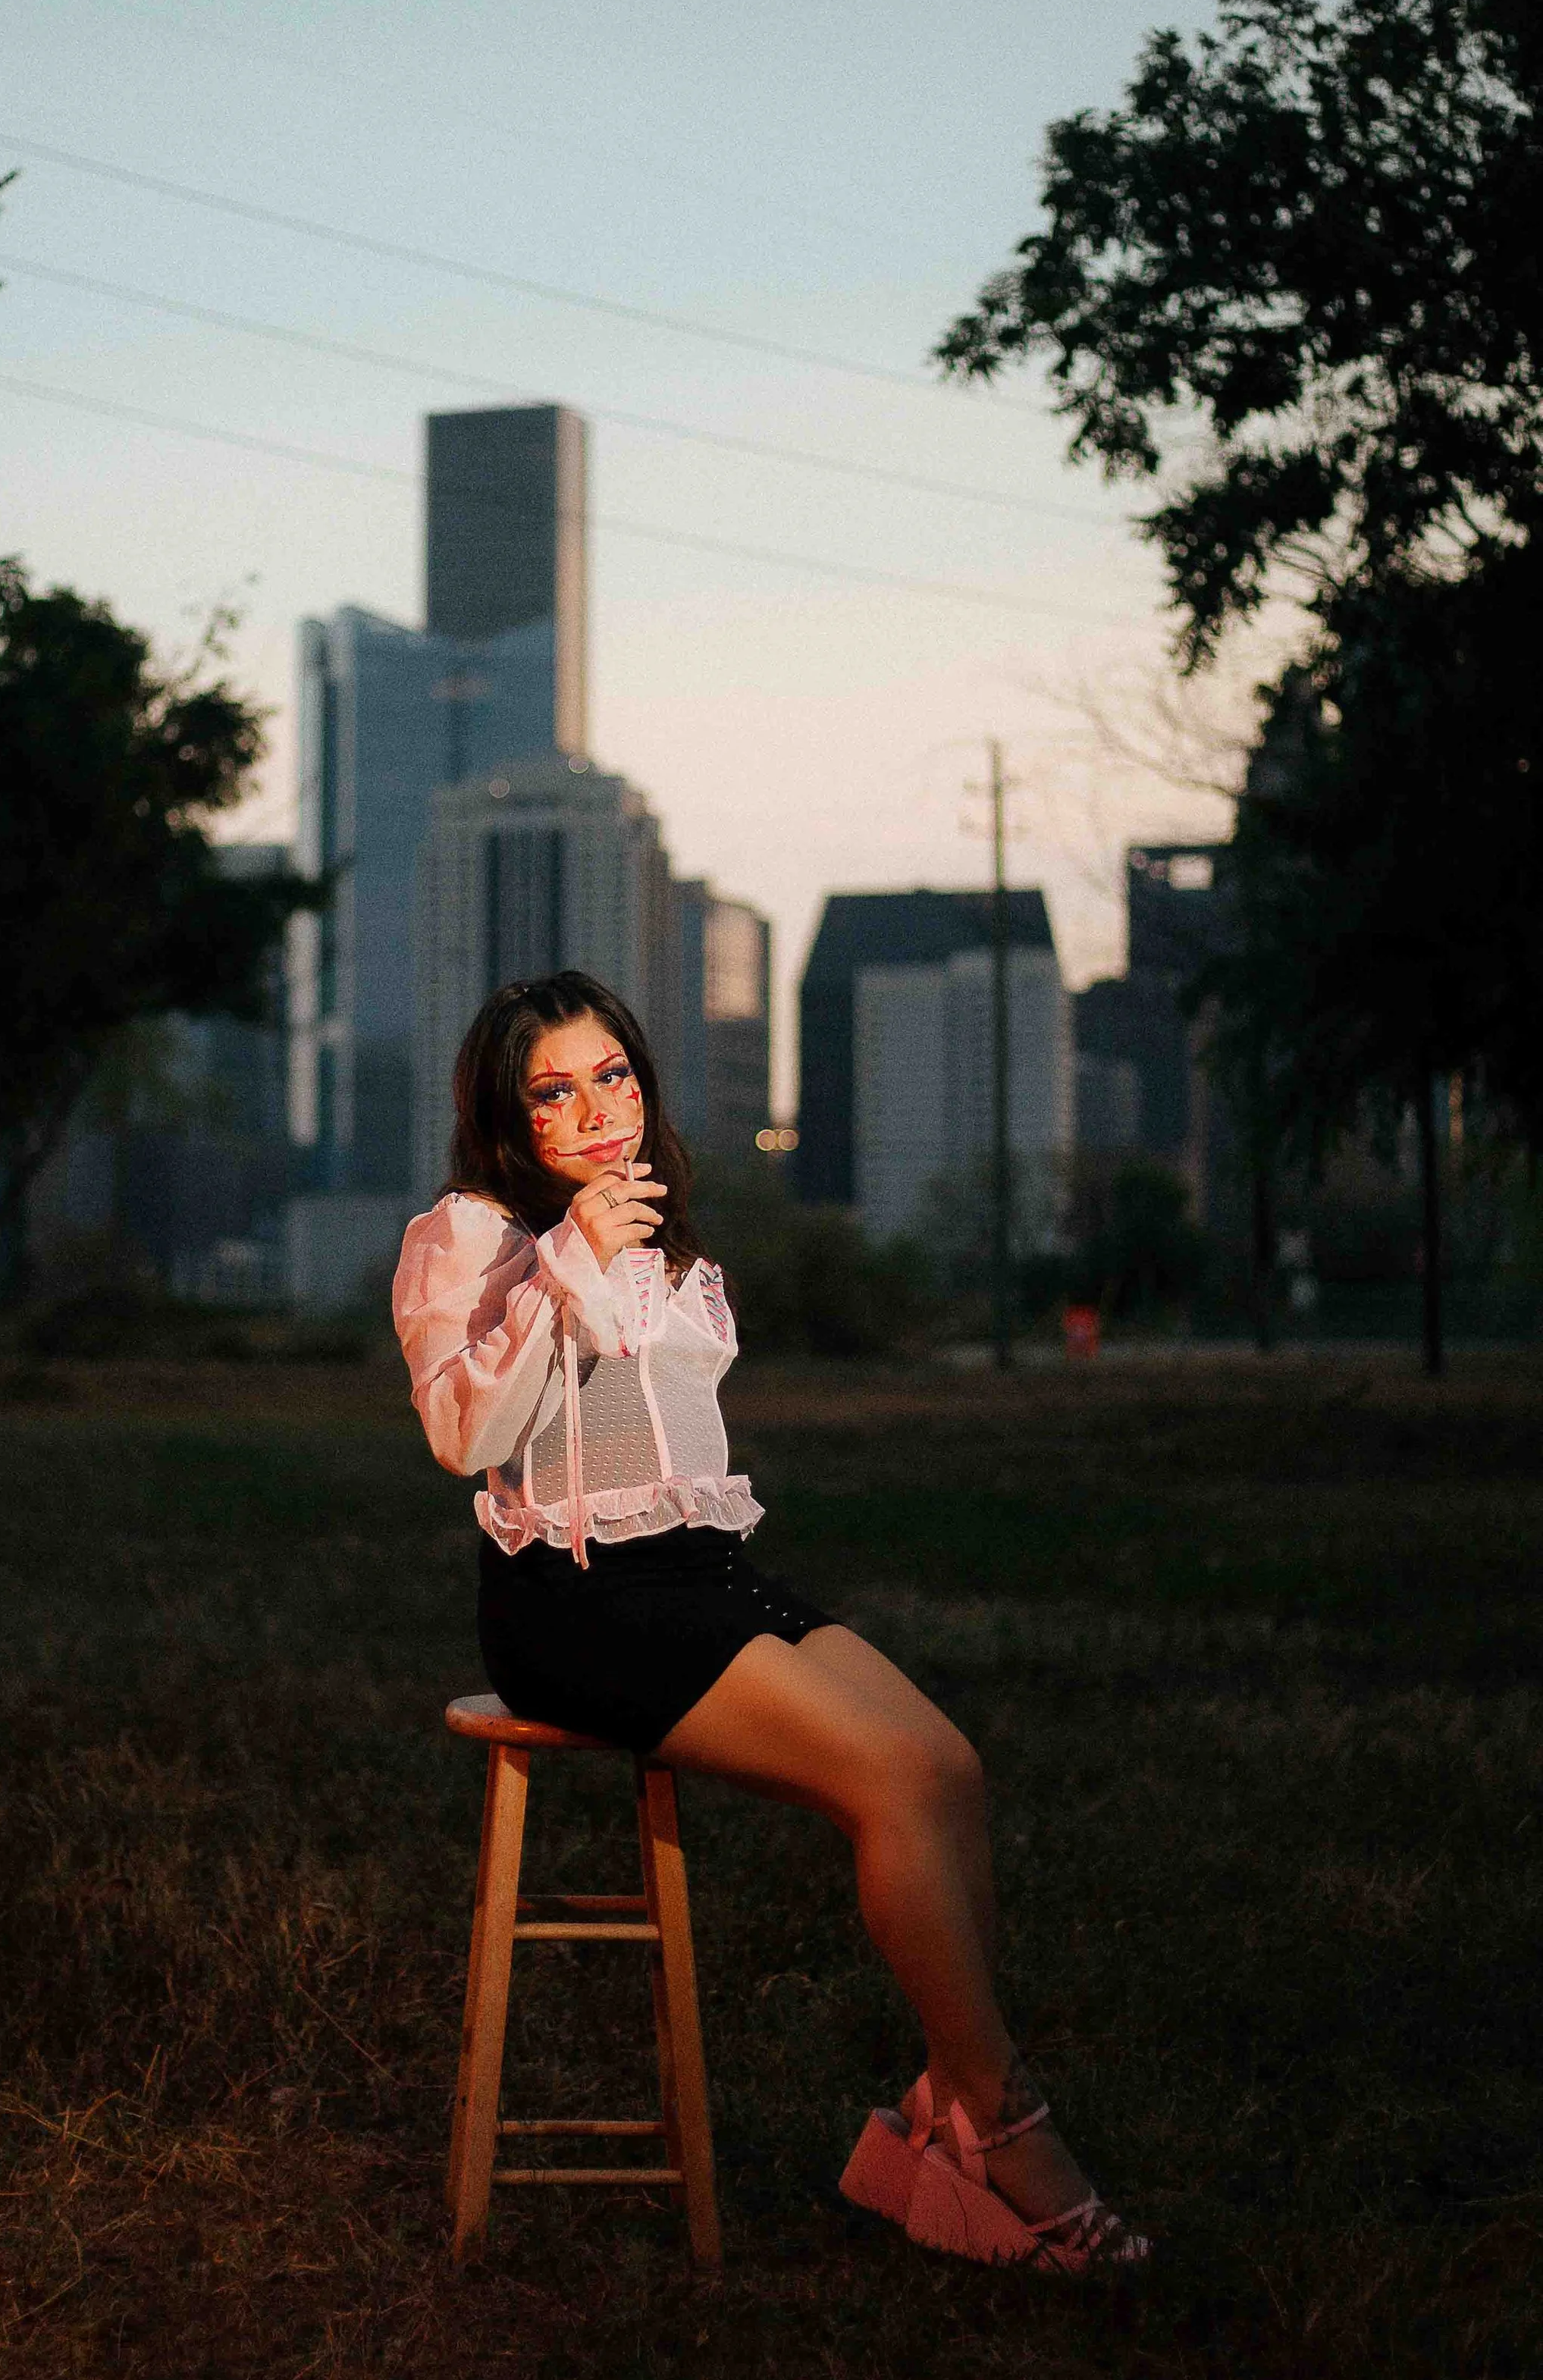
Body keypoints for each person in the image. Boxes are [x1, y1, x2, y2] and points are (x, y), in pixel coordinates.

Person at [392, 971, 1146, 2273]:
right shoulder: (477, 1234)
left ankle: (944, 2108)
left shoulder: (661, 1228)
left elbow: (667, 1433)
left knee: (947, 1767)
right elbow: (469, 1435)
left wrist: (621, 1251)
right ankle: (1001, 2123)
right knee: (888, 1786)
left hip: (695, 1565)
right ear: (511, 1119)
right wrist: (570, 1259)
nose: (595, 1110)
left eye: (613, 1074)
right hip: (573, 1599)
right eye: (555, 1091)